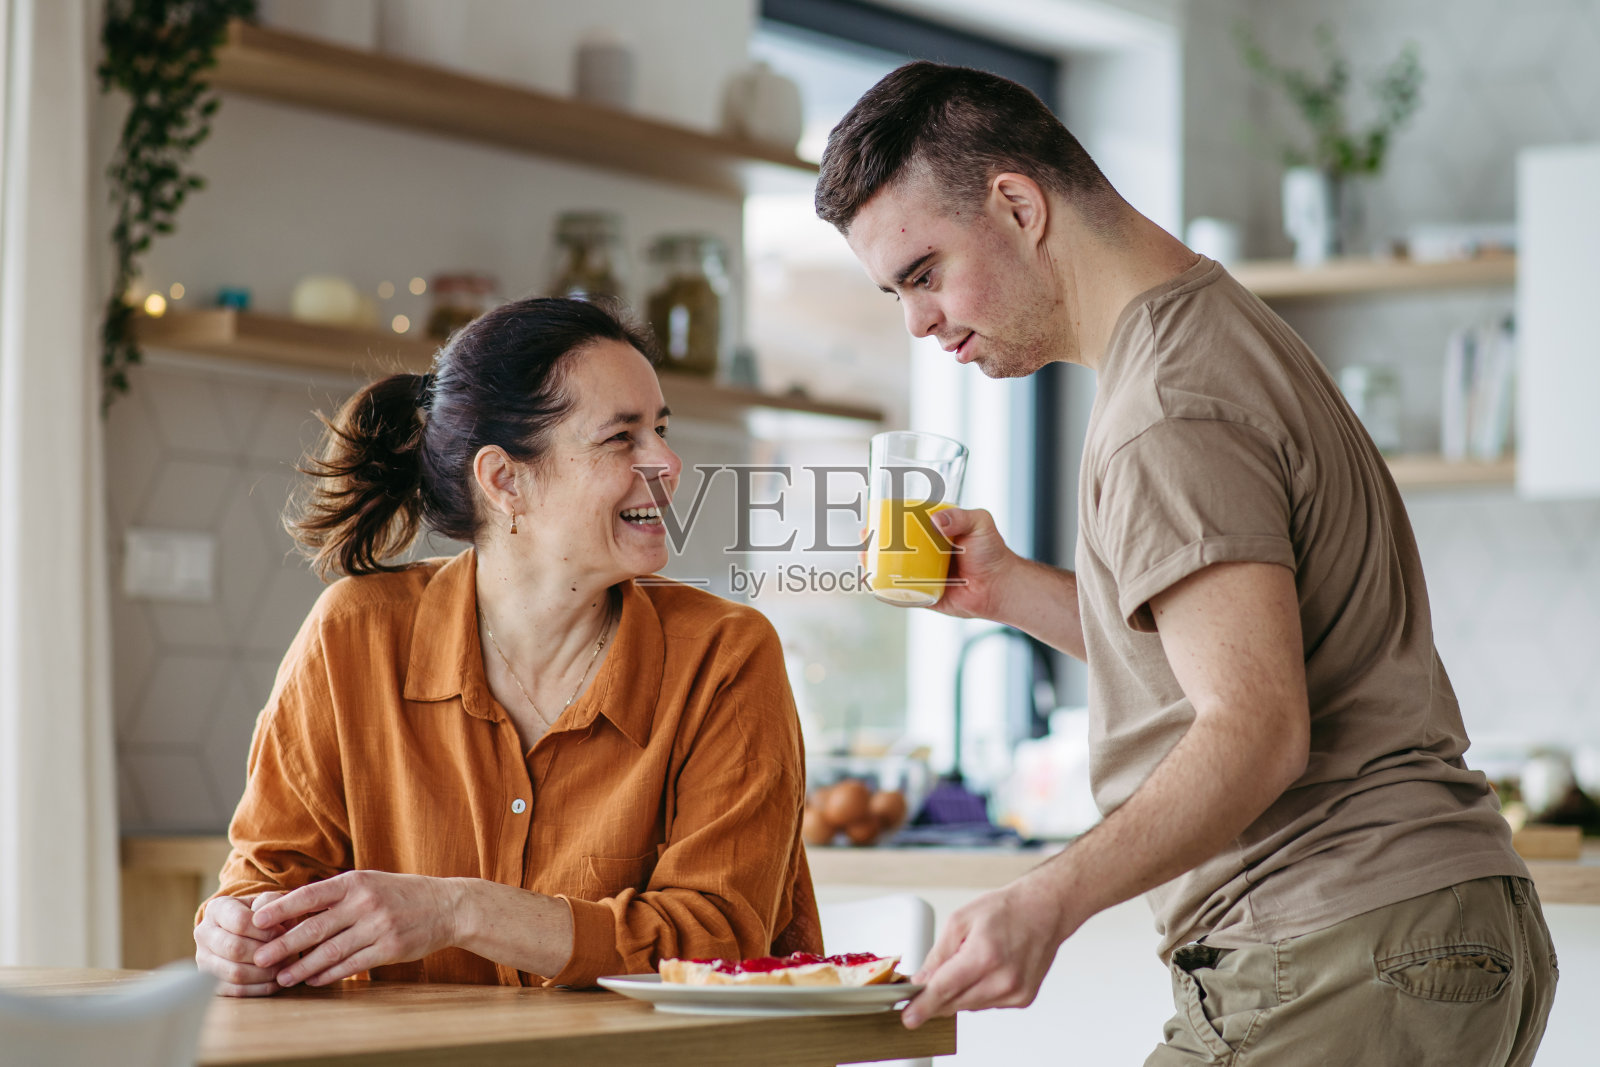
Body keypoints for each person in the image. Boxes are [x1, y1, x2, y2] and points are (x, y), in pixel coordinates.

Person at [816, 62, 1555, 1064]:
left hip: (1330, 936)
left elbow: (1255, 729)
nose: (917, 320)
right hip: (1420, 928)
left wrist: (1045, 899)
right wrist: (1010, 589)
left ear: (1017, 204)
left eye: (922, 271)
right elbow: (1237, 659)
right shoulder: (1215, 330)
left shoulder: (1168, 404)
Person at [192, 297, 820, 996]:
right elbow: (267, 878)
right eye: (622, 438)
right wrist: (235, 930)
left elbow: (716, 938)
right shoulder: (352, 635)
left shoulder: (725, 655)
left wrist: (460, 910)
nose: (667, 463)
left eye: (661, 429)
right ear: (504, 480)